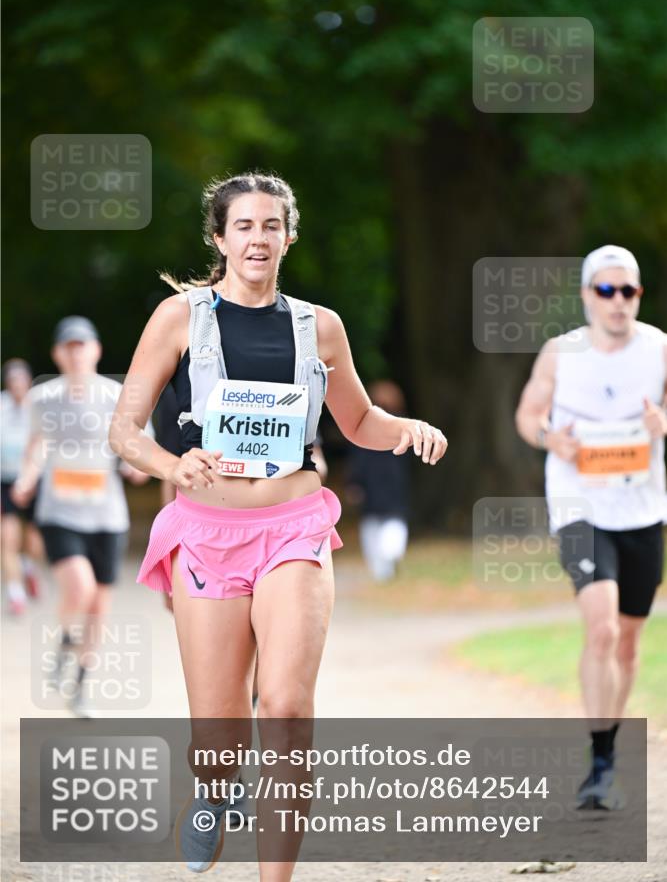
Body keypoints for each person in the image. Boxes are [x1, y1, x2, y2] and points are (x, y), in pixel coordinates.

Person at [109, 171, 448, 877]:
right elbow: (125, 430)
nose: (257, 238)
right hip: (204, 530)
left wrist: (407, 428)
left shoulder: (319, 327)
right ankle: (213, 790)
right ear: (219, 238)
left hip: (293, 524)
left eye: (270, 226)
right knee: (219, 733)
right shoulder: (180, 318)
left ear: (288, 236)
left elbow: (358, 422)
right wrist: (172, 467)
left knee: (288, 709)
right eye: (243, 226)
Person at [515, 245, 666, 810]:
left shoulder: (659, 348)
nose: (618, 301)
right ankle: (600, 763)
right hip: (579, 506)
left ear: (638, 297)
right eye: (606, 290)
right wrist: (551, 438)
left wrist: (661, 423)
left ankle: (609, 747)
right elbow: (528, 414)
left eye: (627, 290)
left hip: (642, 510)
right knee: (600, 628)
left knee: (628, 640)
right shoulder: (562, 352)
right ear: (587, 296)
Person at [12, 316, 150, 717]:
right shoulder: (44, 397)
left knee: (99, 606)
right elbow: (37, 446)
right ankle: (64, 644)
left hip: (107, 516)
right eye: (68, 347)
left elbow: (138, 447)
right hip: (59, 511)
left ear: (96, 350)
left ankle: (80, 684)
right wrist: (27, 477)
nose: (75, 353)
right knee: (80, 586)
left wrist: (137, 466)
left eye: (82, 345)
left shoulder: (116, 395)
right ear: (58, 354)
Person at [346, 379, 410, 581]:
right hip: (372, 487)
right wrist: (354, 483)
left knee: (391, 525)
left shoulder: (402, 427)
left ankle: (388, 563)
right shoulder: (365, 430)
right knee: (372, 526)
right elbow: (357, 461)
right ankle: (382, 572)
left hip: (390, 486)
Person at [1, 359, 44, 615]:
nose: (17, 385)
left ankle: (29, 567)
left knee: (34, 540)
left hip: (35, 479)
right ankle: (16, 595)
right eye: (12, 381)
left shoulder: (39, 407)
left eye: (21, 380)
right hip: (5, 481)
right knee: (8, 538)